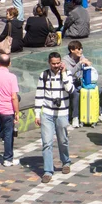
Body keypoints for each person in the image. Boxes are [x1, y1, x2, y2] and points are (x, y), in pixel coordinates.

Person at [35, 52, 74, 183]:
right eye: (53, 64)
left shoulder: (67, 74)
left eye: (58, 63)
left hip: (62, 112)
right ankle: (47, 170)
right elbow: (39, 95)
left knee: (63, 140)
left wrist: (64, 73)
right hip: (47, 112)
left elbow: (70, 89)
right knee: (47, 142)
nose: (56, 66)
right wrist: (37, 114)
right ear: (49, 63)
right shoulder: (44, 75)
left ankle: (66, 161)